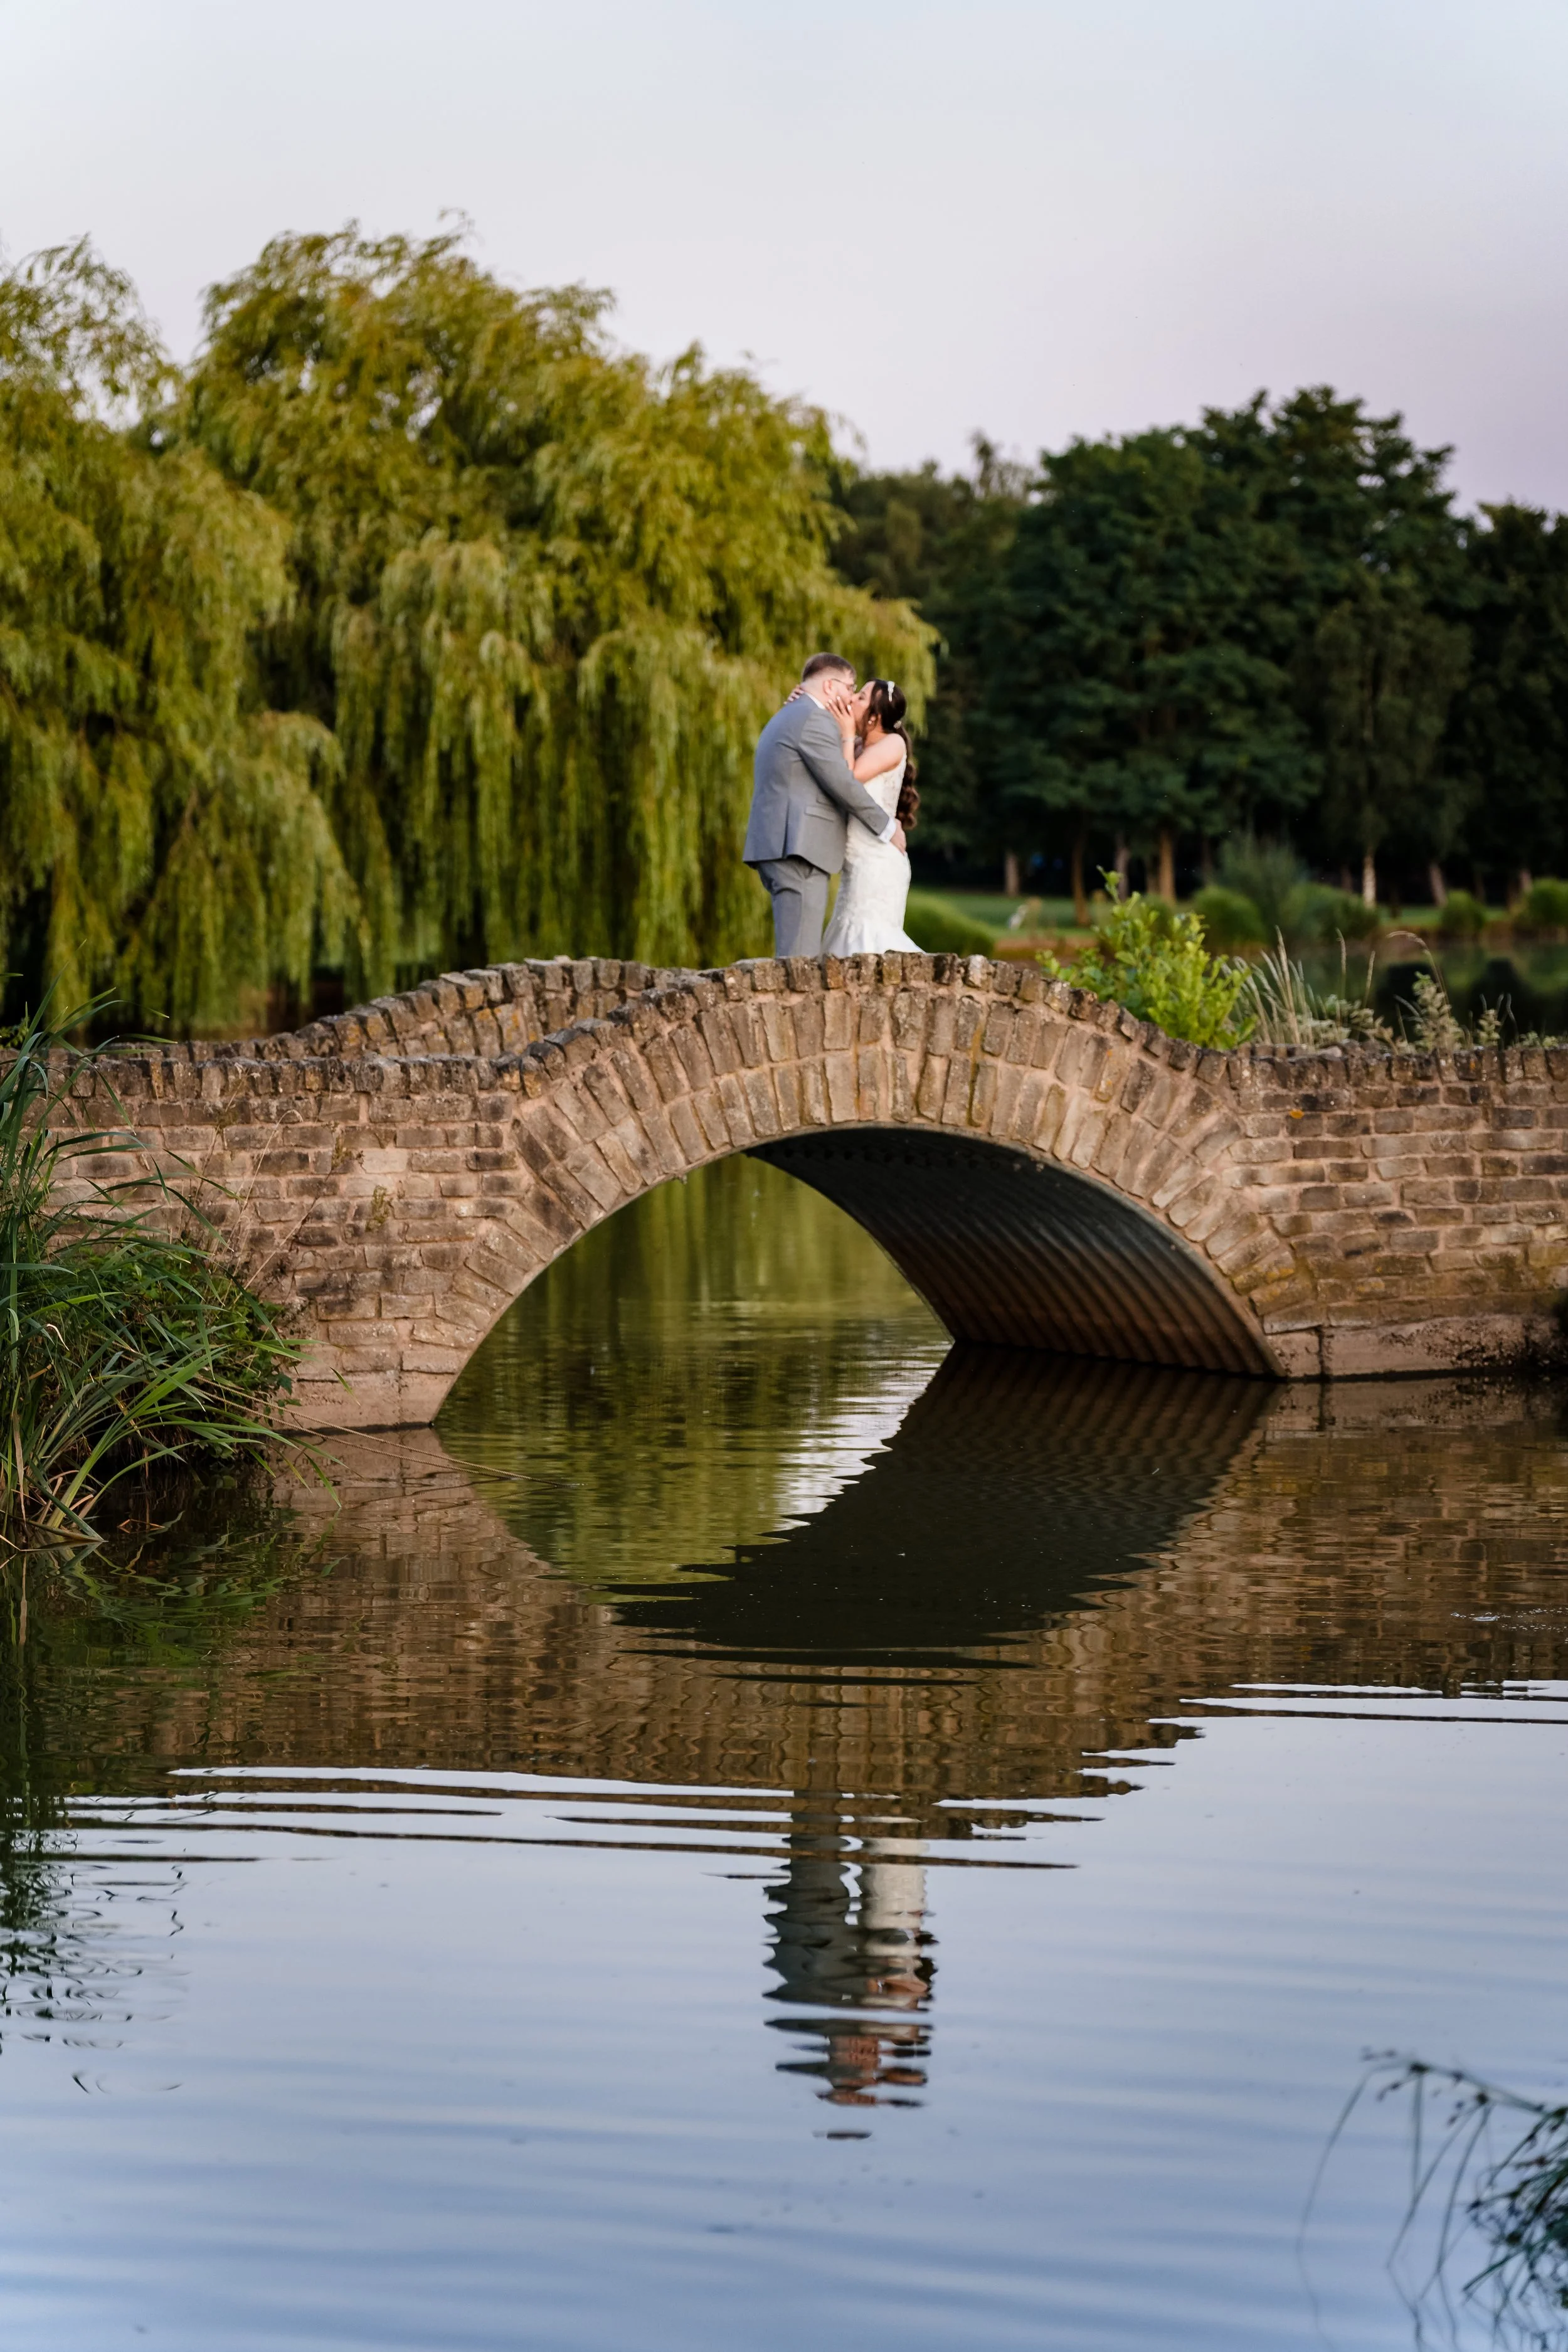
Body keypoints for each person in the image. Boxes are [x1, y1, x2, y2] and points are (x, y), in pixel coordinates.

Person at [744, 653, 907, 958]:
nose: (851, 696)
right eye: (851, 688)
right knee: (799, 965)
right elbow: (844, 782)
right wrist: (887, 826)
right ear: (831, 687)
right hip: (797, 850)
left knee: (801, 962)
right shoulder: (812, 718)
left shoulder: (802, 715)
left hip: (807, 851)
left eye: (859, 693)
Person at [820, 678, 920, 955]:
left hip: (877, 863)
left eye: (861, 697)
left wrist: (847, 733)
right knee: (845, 936)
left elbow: (848, 779)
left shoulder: (893, 745)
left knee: (868, 942)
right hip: (856, 861)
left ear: (875, 718)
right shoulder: (858, 746)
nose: (852, 699)